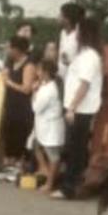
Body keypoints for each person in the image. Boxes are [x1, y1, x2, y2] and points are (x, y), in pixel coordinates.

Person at [54, 18, 104, 200]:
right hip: (74, 107)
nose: (75, 34)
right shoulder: (82, 54)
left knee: (76, 149)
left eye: (78, 30)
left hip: (81, 110)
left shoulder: (90, 56)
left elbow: (84, 85)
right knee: (73, 147)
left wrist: (72, 108)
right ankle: (70, 183)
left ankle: (70, 187)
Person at [0, 36, 36, 181]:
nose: (7, 50)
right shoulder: (10, 62)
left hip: (22, 108)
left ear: (17, 49)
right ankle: (7, 168)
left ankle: (16, 170)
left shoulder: (29, 65)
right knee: (8, 136)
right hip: (10, 105)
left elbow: (27, 89)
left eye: (10, 47)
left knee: (19, 138)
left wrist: (9, 82)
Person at [30, 59, 65, 196]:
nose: (37, 73)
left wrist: (34, 92)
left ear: (45, 72)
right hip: (44, 126)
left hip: (50, 127)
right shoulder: (47, 86)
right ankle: (45, 170)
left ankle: (50, 183)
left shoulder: (48, 90)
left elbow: (36, 108)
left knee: (53, 156)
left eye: (39, 70)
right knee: (35, 144)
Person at [57, 3, 84, 77]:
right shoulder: (62, 33)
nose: (58, 17)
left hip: (74, 79)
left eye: (61, 15)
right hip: (61, 77)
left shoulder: (79, 36)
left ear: (68, 19)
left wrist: (69, 62)